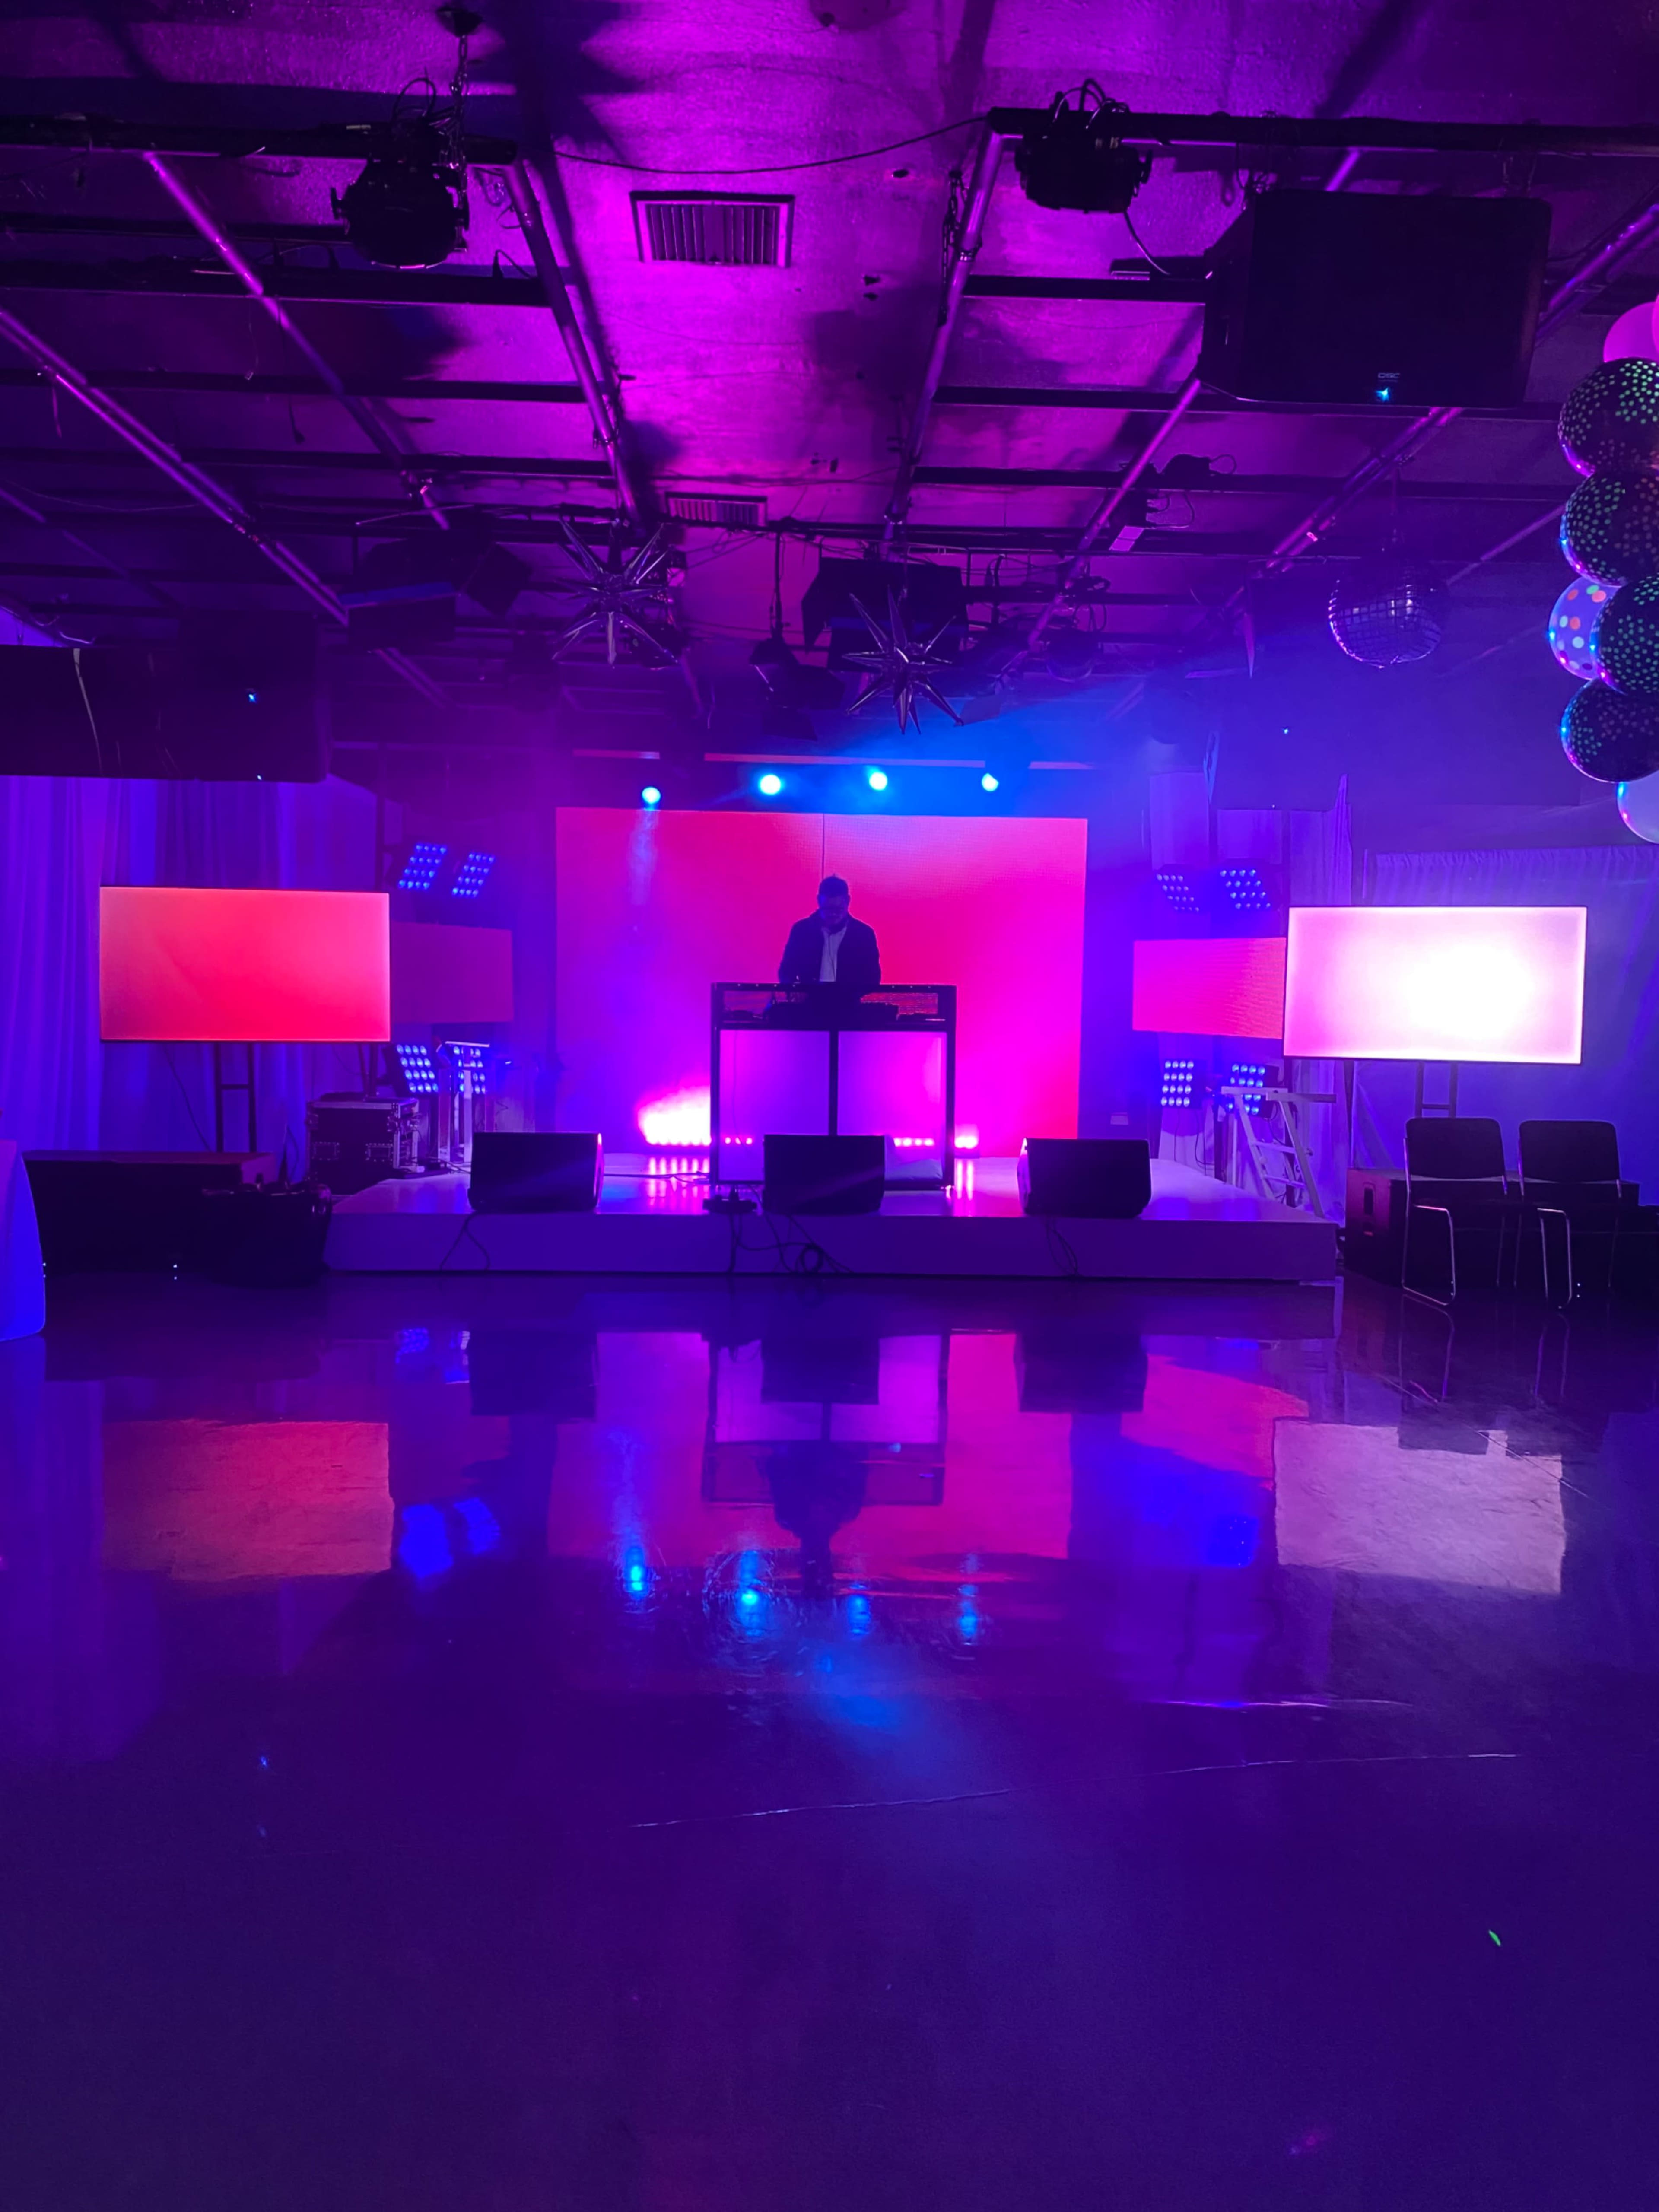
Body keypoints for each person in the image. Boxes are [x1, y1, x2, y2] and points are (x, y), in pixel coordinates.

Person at [777, 874, 881, 994]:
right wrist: (796, 991)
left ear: (848, 901)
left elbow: (873, 978)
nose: (833, 914)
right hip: (808, 1004)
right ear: (818, 901)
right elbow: (786, 971)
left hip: (849, 1006)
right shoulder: (802, 931)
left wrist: (851, 993)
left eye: (838, 910)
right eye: (827, 909)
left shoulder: (863, 934)